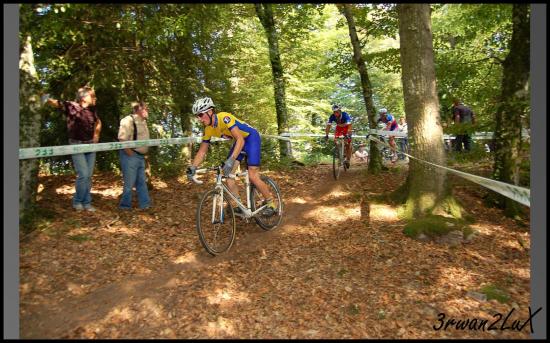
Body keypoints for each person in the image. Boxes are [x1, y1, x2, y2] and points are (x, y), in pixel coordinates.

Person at [186, 97, 276, 216]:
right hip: (239, 142)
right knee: (228, 175)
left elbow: (240, 139)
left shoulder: (224, 117)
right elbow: (202, 151)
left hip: (251, 138)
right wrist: (193, 167)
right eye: (197, 116)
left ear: (210, 111)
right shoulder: (208, 129)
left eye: (201, 115)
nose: (199, 119)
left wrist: (231, 159)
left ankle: (271, 204)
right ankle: (238, 205)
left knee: (253, 175)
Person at [43, 86, 102, 211]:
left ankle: (87, 203)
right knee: (83, 174)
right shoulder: (72, 106)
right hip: (76, 145)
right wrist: (44, 96)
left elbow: (98, 122)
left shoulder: (93, 110)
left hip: (91, 145)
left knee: (89, 176)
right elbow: (57, 103)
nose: (95, 98)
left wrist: (96, 135)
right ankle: (77, 201)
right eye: (93, 96)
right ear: (84, 97)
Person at [117, 101, 152, 211]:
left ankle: (145, 205)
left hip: (140, 156)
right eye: (146, 108)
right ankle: (125, 206)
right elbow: (122, 139)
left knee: (141, 181)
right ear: (139, 109)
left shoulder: (143, 122)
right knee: (129, 183)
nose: (148, 111)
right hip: (130, 155)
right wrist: (130, 153)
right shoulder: (128, 120)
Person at [324, 104, 353, 168]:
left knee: (348, 143)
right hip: (339, 128)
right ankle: (340, 155)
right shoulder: (332, 116)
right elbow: (328, 126)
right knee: (336, 140)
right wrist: (326, 135)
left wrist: (348, 134)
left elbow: (350, 125)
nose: (335, 113)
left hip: (346, 127)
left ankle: (348, 159)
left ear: (340, 111)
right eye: (334, 112)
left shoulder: (345, 115)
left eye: (337, 112)